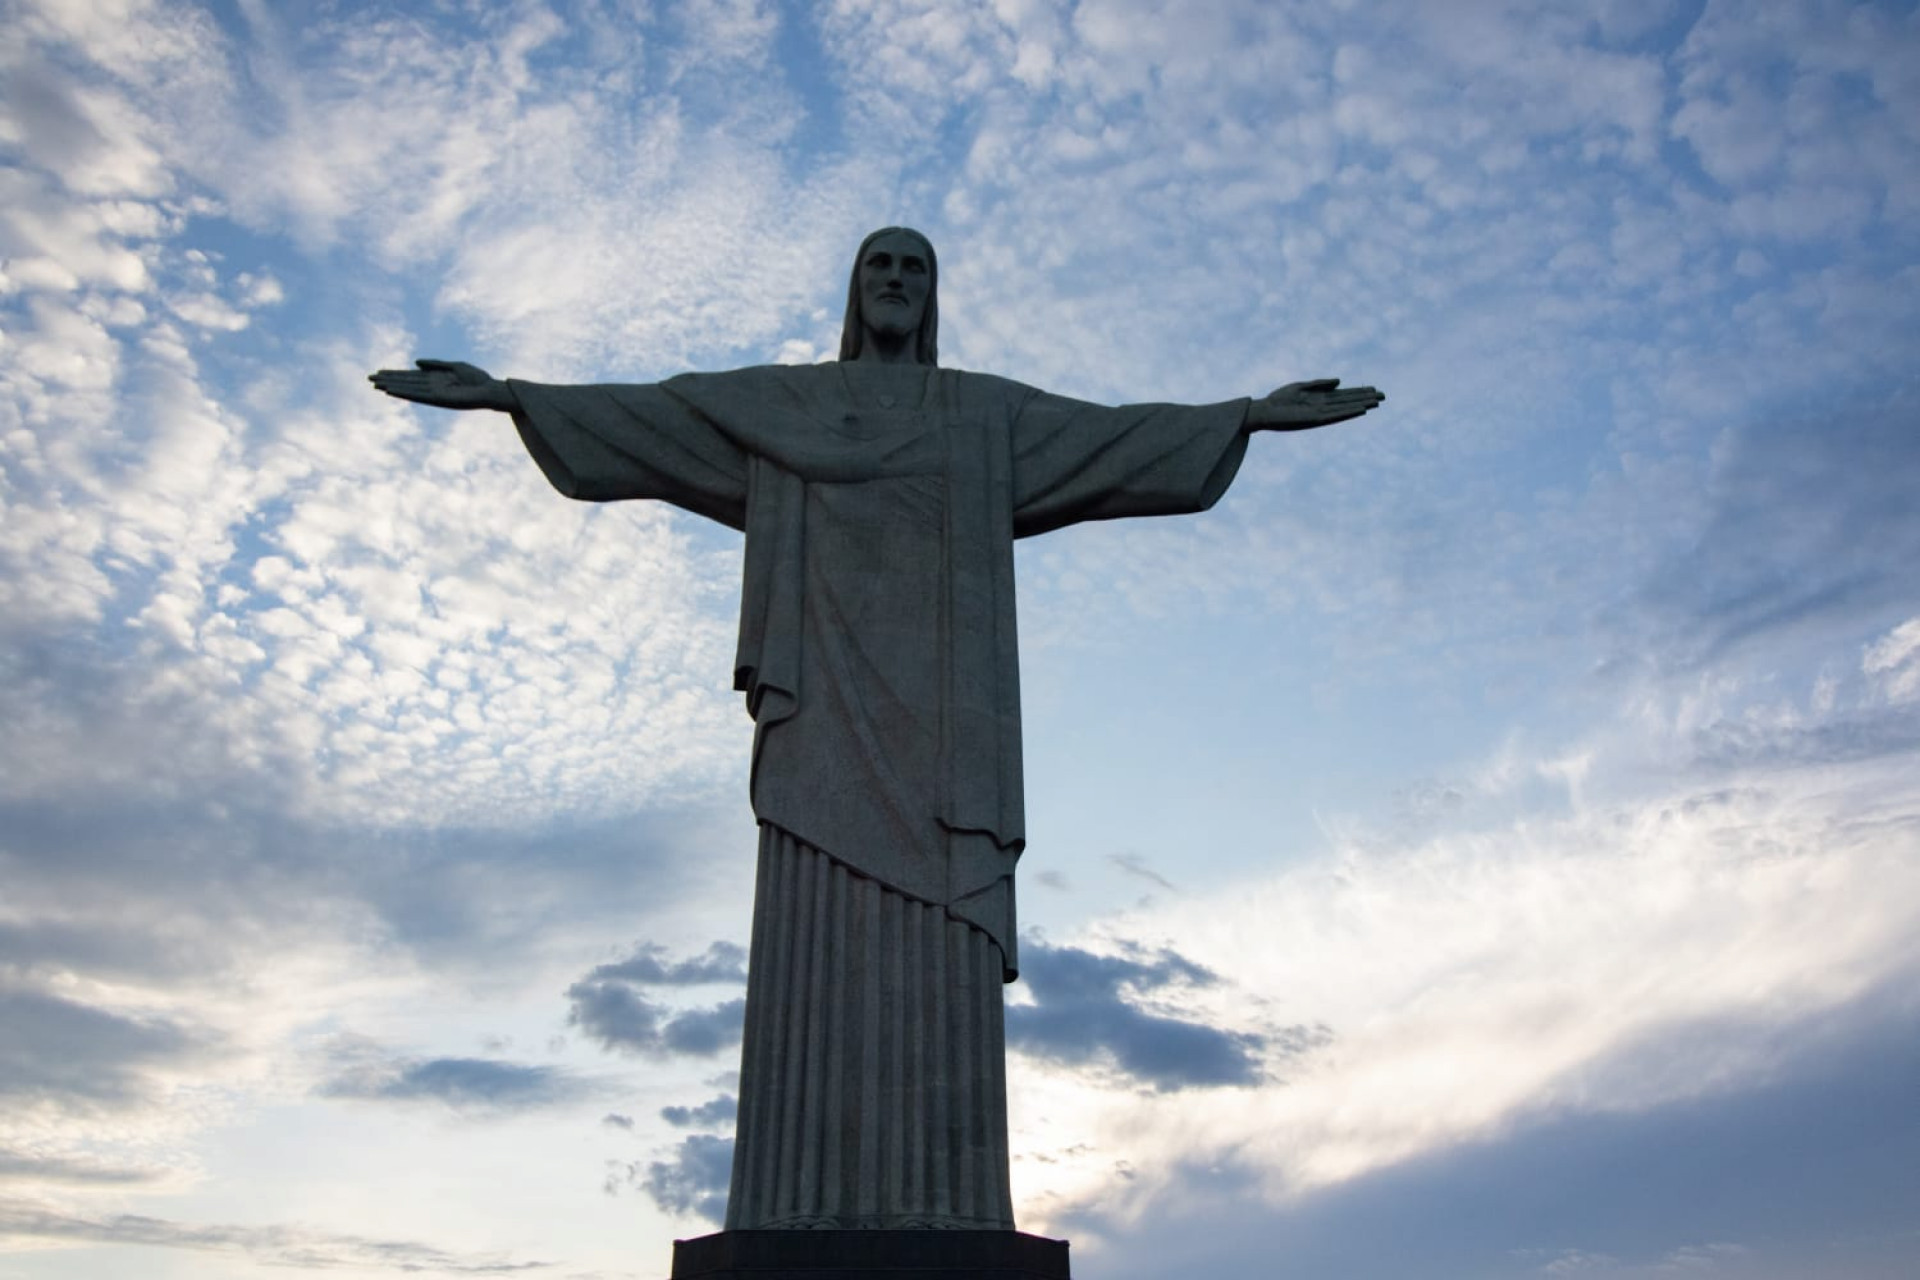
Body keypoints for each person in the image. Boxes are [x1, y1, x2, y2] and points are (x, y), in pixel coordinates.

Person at [371, 227, 1383, 1232]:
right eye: (879, 265)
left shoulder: (981, 415)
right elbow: (657, 415)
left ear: (933, 294)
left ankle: (951, 1210)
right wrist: (513, 395)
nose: (896, 280)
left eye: (915, 267)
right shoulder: (785, 406)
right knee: (813, 922)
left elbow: (1110, 438)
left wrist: (1246, 416)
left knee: (942, 935)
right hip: (819, 717)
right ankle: (791, 1202)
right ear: (855, 291)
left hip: (949, 742)